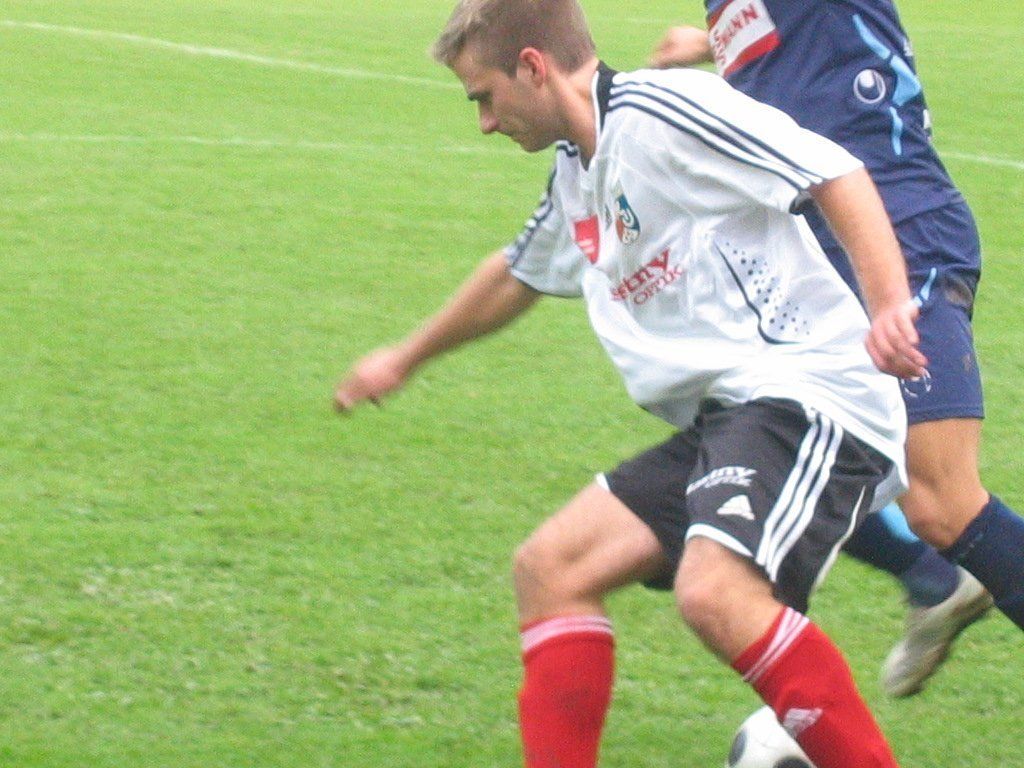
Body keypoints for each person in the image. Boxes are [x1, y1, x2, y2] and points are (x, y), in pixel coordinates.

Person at [336, 0, 927, 765]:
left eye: (484, 96)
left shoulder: (665, 109)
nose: (483, 122)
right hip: (733, 416)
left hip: (811, 390)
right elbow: (516, 275)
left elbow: (834, 170)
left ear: (532, 67)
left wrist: (888, 306)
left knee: (714, 592)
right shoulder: (577, 169)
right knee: (551, 569)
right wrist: (404, 358)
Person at [651, 0, 1024, 699]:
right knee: (779, 438)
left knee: (942, 500)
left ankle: (931, 576)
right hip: (810, 257)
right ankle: (929, 582)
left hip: (900, 228)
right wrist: (712, 41)